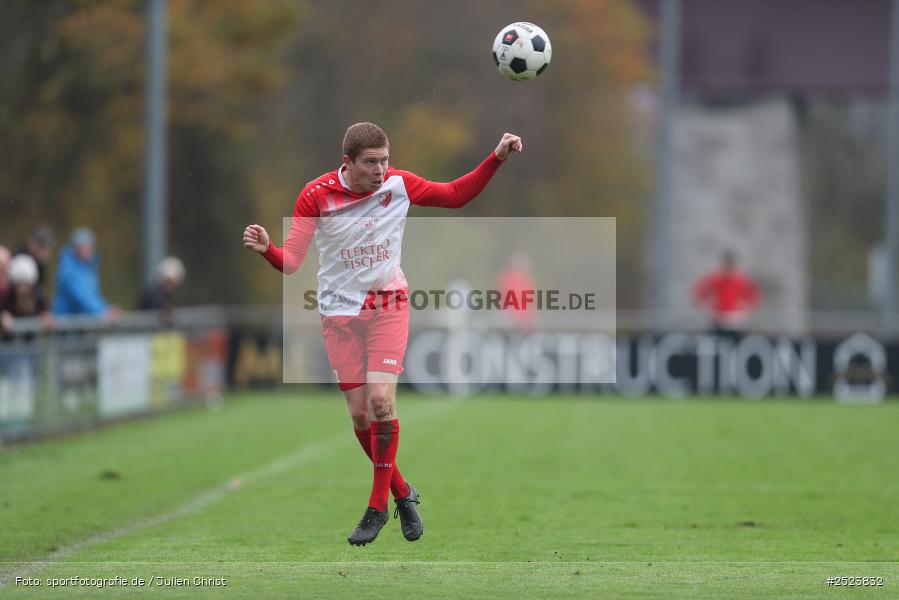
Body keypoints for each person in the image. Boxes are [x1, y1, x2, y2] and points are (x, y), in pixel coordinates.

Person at [243, 122, 522, 546]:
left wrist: (496, 157)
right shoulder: (315, 195)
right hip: (338, 314)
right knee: (359, 416)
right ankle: (403, 493)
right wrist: (268, 250)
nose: (380, 169)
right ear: (348, 163)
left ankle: (377, 508)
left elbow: (456, 194)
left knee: (380, 401)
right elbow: (293, 263)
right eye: (371, 162)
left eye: (384, 160)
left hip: (388, 305)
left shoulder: (398, 185)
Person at [692, 250, 761, 339]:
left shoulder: (741, 281)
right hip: (718, 320)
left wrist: (746, 310)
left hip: (736, 321)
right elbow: (699, 292)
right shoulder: (716, 280)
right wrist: (706, 308)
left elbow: (754, 297)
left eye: (731, 264)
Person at [52, 227, 117, 320]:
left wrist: (105, 308)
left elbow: (92, 294)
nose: (87, 250)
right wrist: (103, 311)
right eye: (82, 247)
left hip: (79, 326)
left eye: (88, 246)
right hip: (67, 328)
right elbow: (82, 295)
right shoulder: (69, 270)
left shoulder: (87, 269)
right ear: (75, 248)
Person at [1, 254, 52, 339]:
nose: (23, 289)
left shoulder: (38, 296)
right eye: (20, 284)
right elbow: (4, 310)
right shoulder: (7, 296)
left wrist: (46, 318)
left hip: (32, 344)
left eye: (26, 284)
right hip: (11, 344)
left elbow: (44, 313)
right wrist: (4, 317)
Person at [14, 225, 54, 306]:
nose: (44, 250)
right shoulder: (18, 259)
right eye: (41, 245)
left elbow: (41, 291)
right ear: (31, 242)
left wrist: (44, 310)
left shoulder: (40, 263)